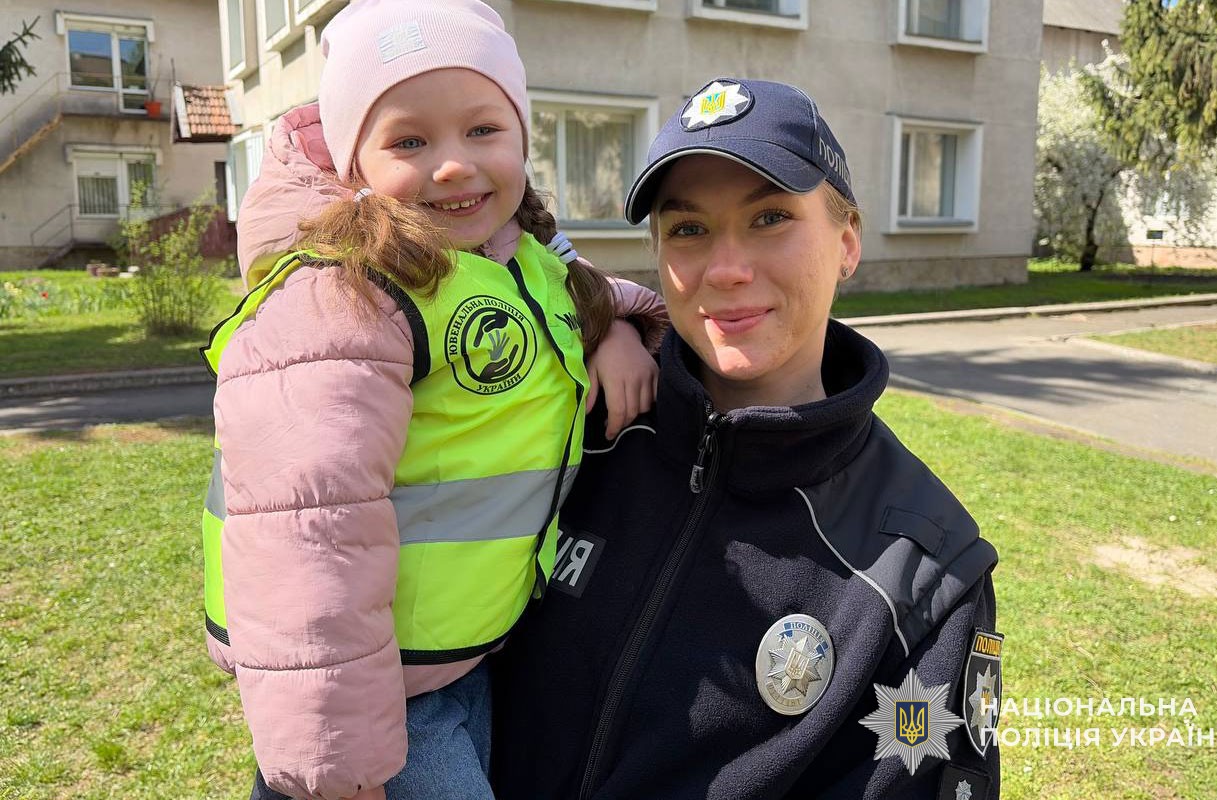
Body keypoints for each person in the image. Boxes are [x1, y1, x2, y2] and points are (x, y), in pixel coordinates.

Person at [198, 2, 665, 799]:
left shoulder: (509, 257)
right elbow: (305, 536)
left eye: (483, 129)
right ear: (355, 164)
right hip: (380, 696)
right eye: (409, 142)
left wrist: (613, 326)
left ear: (522, 138)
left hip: (459, 657)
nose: (453, 165)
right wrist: (338, 761)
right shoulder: (343, 298)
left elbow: (572, 289)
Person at [490, 78, 1002, 799]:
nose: (726, 270)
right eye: (688, 229)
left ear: (847, 242)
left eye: (769, 218)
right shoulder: (574, 430)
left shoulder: (924, 573)